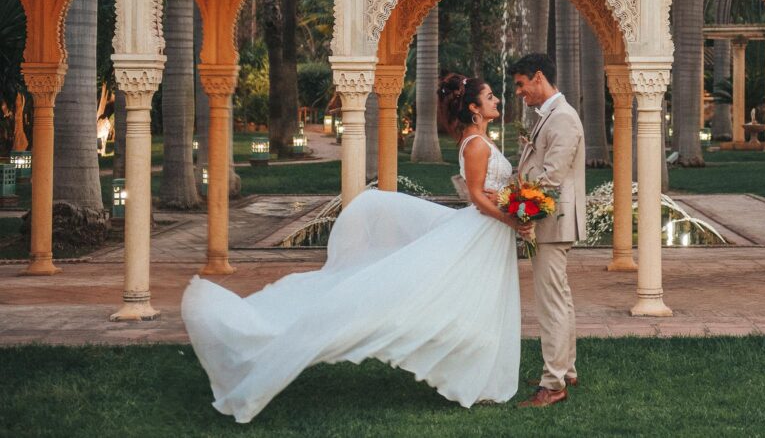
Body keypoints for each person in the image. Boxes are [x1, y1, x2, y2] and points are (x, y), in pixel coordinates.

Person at [181, 74, 528, 422]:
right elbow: (476, 196)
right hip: (484, 228)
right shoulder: (476, 144)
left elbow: (489, 192)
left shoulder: (479, 139)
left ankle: (477, 374)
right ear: (473, 107)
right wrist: (512, 218)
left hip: (488, 233)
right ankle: (470, 374)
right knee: (434, 297)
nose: (496, 100)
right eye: (489, 96)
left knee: (479, 301)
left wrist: (516, 203)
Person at [509, 53, 587, 408]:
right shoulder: (553, 117)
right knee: (561, 297)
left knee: (551, 303)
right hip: (551, 221)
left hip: (552, 222)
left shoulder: (564, 119)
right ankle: (566, 369)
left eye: (521, 85)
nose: (520, 93)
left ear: (538, 77)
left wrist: (517, 202)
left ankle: (552, 384)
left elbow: (551, 178)